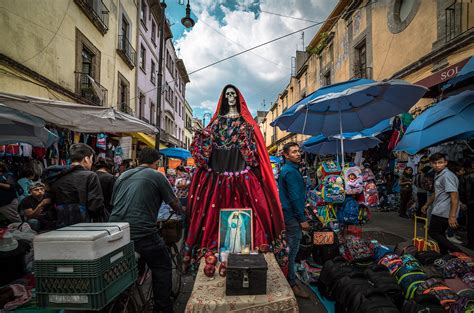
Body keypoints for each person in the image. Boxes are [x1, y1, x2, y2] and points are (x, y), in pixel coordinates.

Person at [184, 85, 287, 267]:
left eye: (233, 94)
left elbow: (254, 159)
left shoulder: (247, 125)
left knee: (252, 218)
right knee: (212, 220)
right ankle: (216, 259)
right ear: (223, 98)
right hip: (217, 178)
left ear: (238, 98)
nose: (230, 97)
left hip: (243, 179)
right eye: (227, 94)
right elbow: (204, 155)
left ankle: (249, 255)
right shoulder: (215, 124)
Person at [109, 147, 182, 313]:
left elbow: (115, 204)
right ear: (156, 162)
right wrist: (184, 213)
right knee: (162, 266)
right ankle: (162, 308)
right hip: (142, 232)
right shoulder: (157, 175)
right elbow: (174, 203)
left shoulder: (123, 175)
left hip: (115, 231)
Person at [44, 143, 105, 228]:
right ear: (86, 159)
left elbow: (47, 204)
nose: (91, 162)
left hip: (59, 227)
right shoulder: (90, 176)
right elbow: (95, 205)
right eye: (91, 159)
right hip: (83, 227)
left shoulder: (55, 176)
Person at [278, 142, 310, 299]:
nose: (298, 154)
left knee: (290, 249)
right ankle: (291, 282)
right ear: (286, 155)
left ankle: (290, 278)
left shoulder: (290, 169)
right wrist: (302, 218)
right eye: (294, 152)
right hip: (291, 216)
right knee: (292, 250)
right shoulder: (290, 171)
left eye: (299, 151)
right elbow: (295, 197)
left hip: (289, 214)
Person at [421, 153, 462, 254]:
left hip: (444, 211)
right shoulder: (438, 174)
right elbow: (436, 192)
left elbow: (454, 196)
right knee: (440, 234)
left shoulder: (447, 176)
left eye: (440, 163)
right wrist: (427, 204)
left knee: (433, 232)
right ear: (431, 164)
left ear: (445, 163)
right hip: (439, 209)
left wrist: (452, 216)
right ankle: (444, 255)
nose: (437, 165)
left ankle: (460, 253)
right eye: (435, 163)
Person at [461, 160, 474, 249]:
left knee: (471, 223)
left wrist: (464, 202)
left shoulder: (466, 177)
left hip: (471, 203)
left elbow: (464, 192)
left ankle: (471, 243)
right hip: (471, 203)